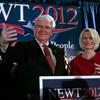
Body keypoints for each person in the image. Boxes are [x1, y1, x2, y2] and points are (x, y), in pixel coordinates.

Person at [0, 14, 67, 100]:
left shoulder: (59, 51)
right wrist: (3, 43)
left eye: (47, 27)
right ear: (34, 29)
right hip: (31, 97)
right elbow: (8, 56)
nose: (43, 30)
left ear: (52, 31)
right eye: (40, 26)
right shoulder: (22, 47)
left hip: (55, 97)